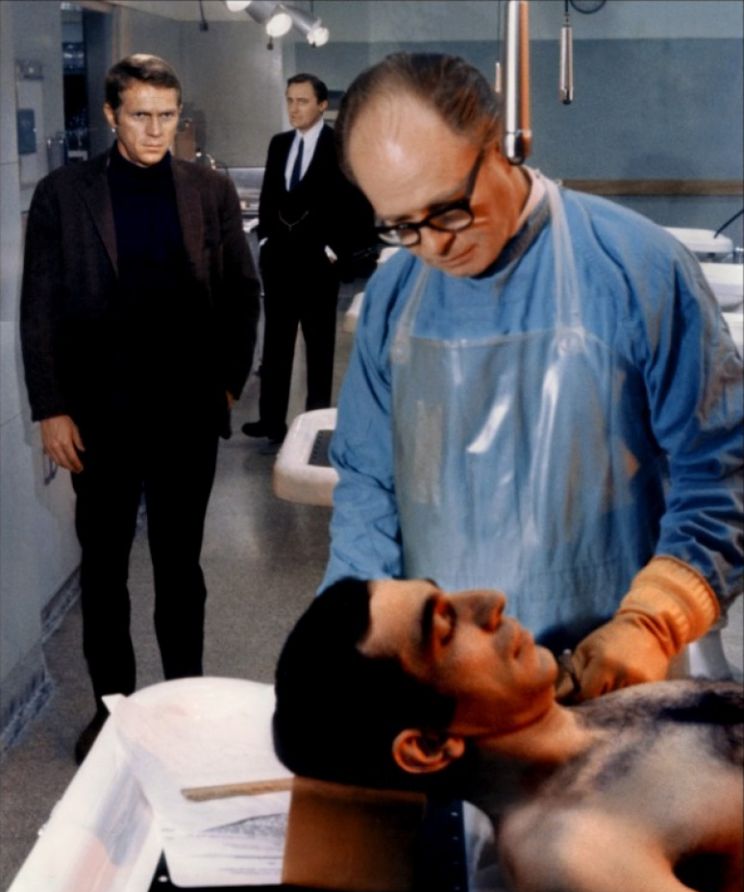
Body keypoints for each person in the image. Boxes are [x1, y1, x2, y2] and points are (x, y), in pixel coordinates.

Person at [321, 52, 743, 699]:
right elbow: (368, 487)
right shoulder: (395, 298)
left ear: (501, 143)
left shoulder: (635, 269)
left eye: (448, 210)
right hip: (457, 678)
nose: (434, 245)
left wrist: (653, 622)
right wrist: (358, 638)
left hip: (615, 669)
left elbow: (721, 469)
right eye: (402, 226)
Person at [273, 577, 744, 892]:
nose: (490, 600)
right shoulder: (573, 856)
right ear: (430, 746)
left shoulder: (601, 704)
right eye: (446, 629)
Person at [20, 53, 260, 762]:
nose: (157, 131)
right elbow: (39, 307)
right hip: (100, 417)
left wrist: (227, 381)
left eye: (167, 116)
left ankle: (183, 706)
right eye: (141, 116)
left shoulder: (208, 189)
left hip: (185, 412)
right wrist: (51, 408)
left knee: (181, 569)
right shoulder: (65, 194)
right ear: (110, 115)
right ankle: (113, 713)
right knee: (104, 570)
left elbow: (242, 291)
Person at [242, 73, 374, 453]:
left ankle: (315, 421)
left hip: (319, 264)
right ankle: (271, 420)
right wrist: (265, 240)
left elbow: (357, 203)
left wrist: (335, 252)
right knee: (276, 345)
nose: (294, 108)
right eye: (290, 100)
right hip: (280, 261)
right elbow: (269, 197)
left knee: (319, 348)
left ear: (321, 105)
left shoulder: (340, 146)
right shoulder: (280, 144)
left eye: (302, 101)